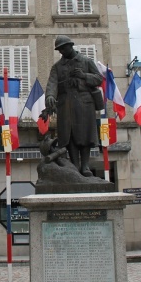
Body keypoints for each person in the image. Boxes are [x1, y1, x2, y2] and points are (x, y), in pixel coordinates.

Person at [45, 35, 103, 177]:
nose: (61, 52)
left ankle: (85, 166)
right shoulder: (57, 67)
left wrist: (84, 76)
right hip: (65, 104)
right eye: (59, 50)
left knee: (84, 135)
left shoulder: (86, 61)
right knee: (69, 136)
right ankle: (75, 165)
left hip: (84, 102)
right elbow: (52, 83)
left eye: (63, 48)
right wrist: (50, 96)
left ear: (70, 46)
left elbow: (99, 79)